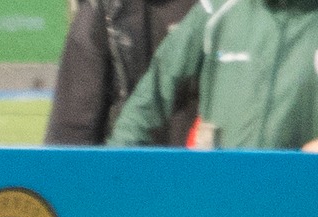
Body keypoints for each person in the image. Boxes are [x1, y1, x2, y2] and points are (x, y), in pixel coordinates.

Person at [108, 0, 318, 150]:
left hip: (300, 194)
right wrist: (113, 168)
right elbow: (150, 96)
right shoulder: (216, 9)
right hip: (219, 188)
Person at [45, 0, 197, 145]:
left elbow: (72, 129)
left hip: (199, 165)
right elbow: (72, 128)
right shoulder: (104, 9)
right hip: (130, 164)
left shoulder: (214, 10)